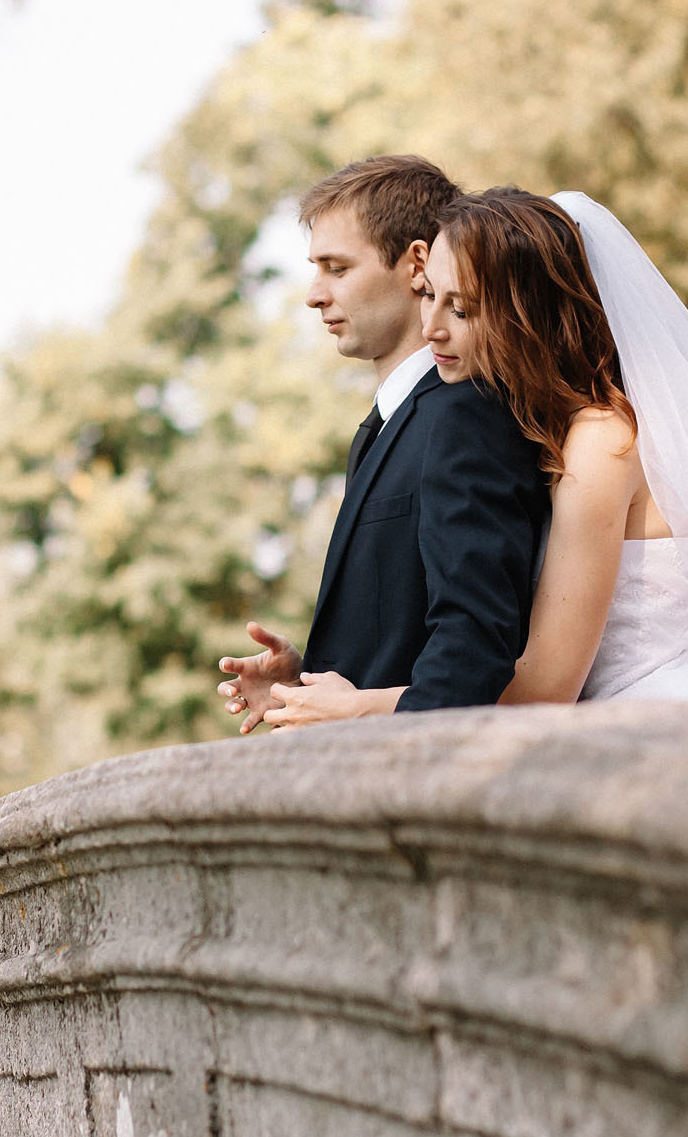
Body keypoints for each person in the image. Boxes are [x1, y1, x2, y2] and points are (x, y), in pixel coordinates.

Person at [247, 186, 688, 723]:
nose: (431, 328)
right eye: (431, 296)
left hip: (650, 717)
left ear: (527, 313)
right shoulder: (544, 430)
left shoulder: (603, 441)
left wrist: (360, 706)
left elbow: (546, 687)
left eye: (463, 308)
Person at [218, 156, 550, 728]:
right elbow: (407, 628)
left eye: (337, 268)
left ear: (417, 264)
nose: (314, 295)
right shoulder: (386, 427)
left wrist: (357, 714)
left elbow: (475, 647)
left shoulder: (464, 415)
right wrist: (304, 684)